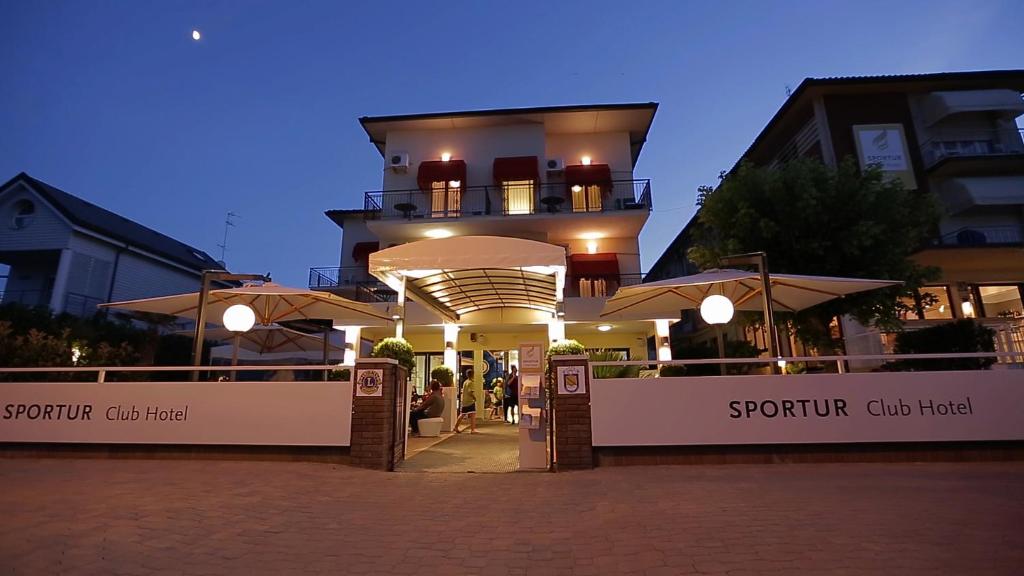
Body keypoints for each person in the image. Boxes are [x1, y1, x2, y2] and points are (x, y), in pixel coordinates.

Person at [454, 368, 478, 434]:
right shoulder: (471, 382)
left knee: (462, 414)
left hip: (464, 401)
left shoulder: (465, 382)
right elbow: (470, 392)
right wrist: (474, 398)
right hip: (470, 401)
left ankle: (456, 427)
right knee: (473, 414)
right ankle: (473, 430)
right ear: (473, 374)